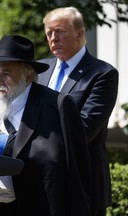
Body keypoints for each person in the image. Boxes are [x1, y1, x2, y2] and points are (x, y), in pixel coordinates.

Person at [0, 34, 91, 216]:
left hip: (36, 207)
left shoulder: (57, 105)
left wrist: (6, 145)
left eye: (6, 73)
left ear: (29, 75)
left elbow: (70, 167)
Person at [37, 6, 119, 216]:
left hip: (82, 184)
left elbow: (84, 128)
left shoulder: (102, 73)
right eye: (49, 33)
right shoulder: (39, 70)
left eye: (60, 31)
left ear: (80, 33)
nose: (53, 38)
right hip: (40, 182)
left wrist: (32, 141)